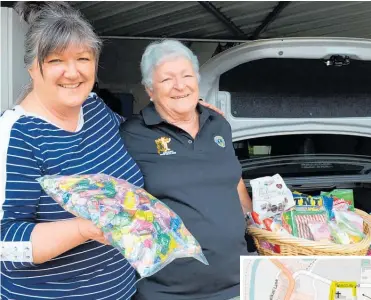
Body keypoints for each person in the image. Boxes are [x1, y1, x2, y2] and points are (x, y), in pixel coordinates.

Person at [0, 2, 222, 299]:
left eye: (83, 58)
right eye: (55, 61)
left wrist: (179, 115)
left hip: (123, 291)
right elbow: (5, 241)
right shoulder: (18, 134)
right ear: (32, 68)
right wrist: (83, 229)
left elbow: (139, 137)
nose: (72, 72)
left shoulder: (93, 108)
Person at [120, 40, 253, 300]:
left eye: (186, 75)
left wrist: (258, 222)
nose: (180, 85)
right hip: (166, 291)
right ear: (150, 90)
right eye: (167, 79)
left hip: (236, 286)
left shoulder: (219, 125)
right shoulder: (132, 134)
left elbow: (233, 181)